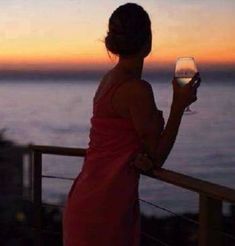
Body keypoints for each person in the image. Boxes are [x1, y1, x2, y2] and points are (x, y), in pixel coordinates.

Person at [63, 3, 200, 246]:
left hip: (85, 198)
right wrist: (178, 106)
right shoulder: (136, 89)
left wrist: (137, 155)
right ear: (148, 43)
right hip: (107, 206)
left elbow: (118, 140)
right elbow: (157, 157)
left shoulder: (109, 79)